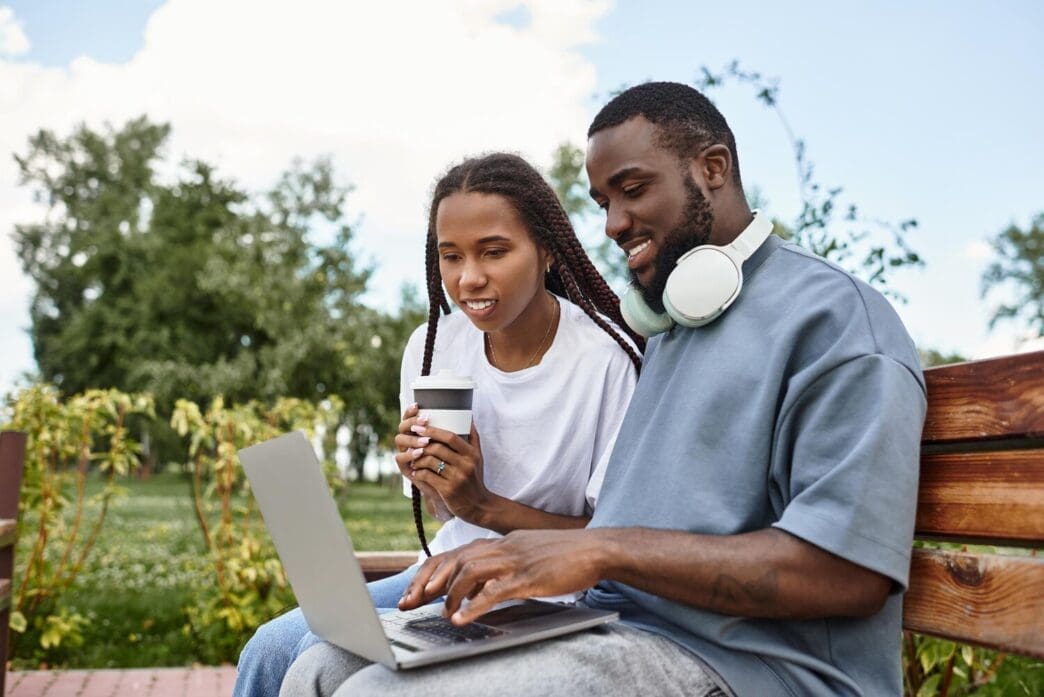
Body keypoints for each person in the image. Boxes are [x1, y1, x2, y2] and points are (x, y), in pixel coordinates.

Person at [280, 82, 927, 697]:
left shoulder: (837, 322)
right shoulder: (674, 326)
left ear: (713, 167)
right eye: (602, 203)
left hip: (755, 667)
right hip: (617, 627)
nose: (614, 222)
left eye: (632, 189)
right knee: (318, 668)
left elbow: (850, 574)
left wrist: (598, 548)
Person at [232, 152, 642, 697]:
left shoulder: (604, 359)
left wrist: (484, 506)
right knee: (268, 648)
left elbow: (613, 545)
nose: (469, 279)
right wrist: (431, 477)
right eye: (451, 257)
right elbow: (441, 513)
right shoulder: (435, 346)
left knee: (323, 657)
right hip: (451, 572)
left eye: (494, 252)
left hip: (550, 595)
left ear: (546, 250)